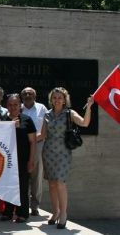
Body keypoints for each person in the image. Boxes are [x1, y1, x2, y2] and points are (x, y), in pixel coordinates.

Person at [39, 87, 93, 229]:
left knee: (60, 183)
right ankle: (55, 212)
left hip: (63, 153)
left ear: (64, 100)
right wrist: (22, 135)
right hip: (48, 152)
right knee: (51, 183)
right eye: (54, 98)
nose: (57, 100)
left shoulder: (69, 113)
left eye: (60, 98)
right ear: (51, 99)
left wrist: (89, 107)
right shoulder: (47, 114)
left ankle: (63, 213)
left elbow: (84, 123)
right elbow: (42, 135)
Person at [0, 94, 36, 223]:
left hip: (22, 159)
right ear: (7, 106)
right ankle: (8, 212)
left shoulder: (27, 120)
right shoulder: (2, 120)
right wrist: (10, 126)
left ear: (20, 105)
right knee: (8, 186)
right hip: (7, 160)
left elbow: (32, 141)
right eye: (10, 104)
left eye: (15, 104)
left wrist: (31, 160)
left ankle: (22, 213)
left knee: (22, 187)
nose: (13, 107)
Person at [20, 87, 48, 216]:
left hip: (37, 145)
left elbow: (45, 130)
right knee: (21, 176)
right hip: (20, 148)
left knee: (36, 177)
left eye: (30, 93)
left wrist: (31, 141)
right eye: (25, 93)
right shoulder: (18, 108)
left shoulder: (42, 108)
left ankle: (35, 206)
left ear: (35, 96)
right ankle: (21, 205)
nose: (27, 95)